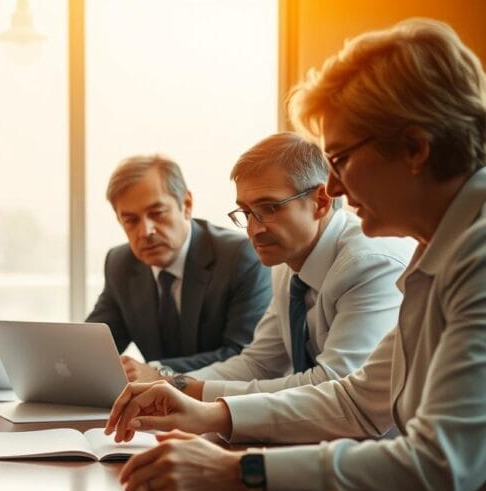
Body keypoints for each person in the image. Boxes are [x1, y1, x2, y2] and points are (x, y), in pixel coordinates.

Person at [107, 18, 486, 491]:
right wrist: (207, 411)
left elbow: (436, 469)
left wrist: (237, 474)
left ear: (415, 148)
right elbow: (357, 398)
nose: (334, 187)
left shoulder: (474, 259)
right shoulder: (440, 250)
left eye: (342, 158)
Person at [123, 133, 414, 403]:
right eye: (247, 212)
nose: (254, 229)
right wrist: (172, 386)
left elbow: (333, 384)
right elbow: (259, 363)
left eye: (269, 208)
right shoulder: (287, 265)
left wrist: (186, 390)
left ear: (321, 202)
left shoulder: (368, 262)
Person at [87, 155, 271, 373]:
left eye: (157, 213)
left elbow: (242, 356)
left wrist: (156, 371)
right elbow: (91, 349)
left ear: (186, 205)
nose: (146, 231)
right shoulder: (120, 263)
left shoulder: (239, 258)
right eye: (131, 220)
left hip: (219, 401)